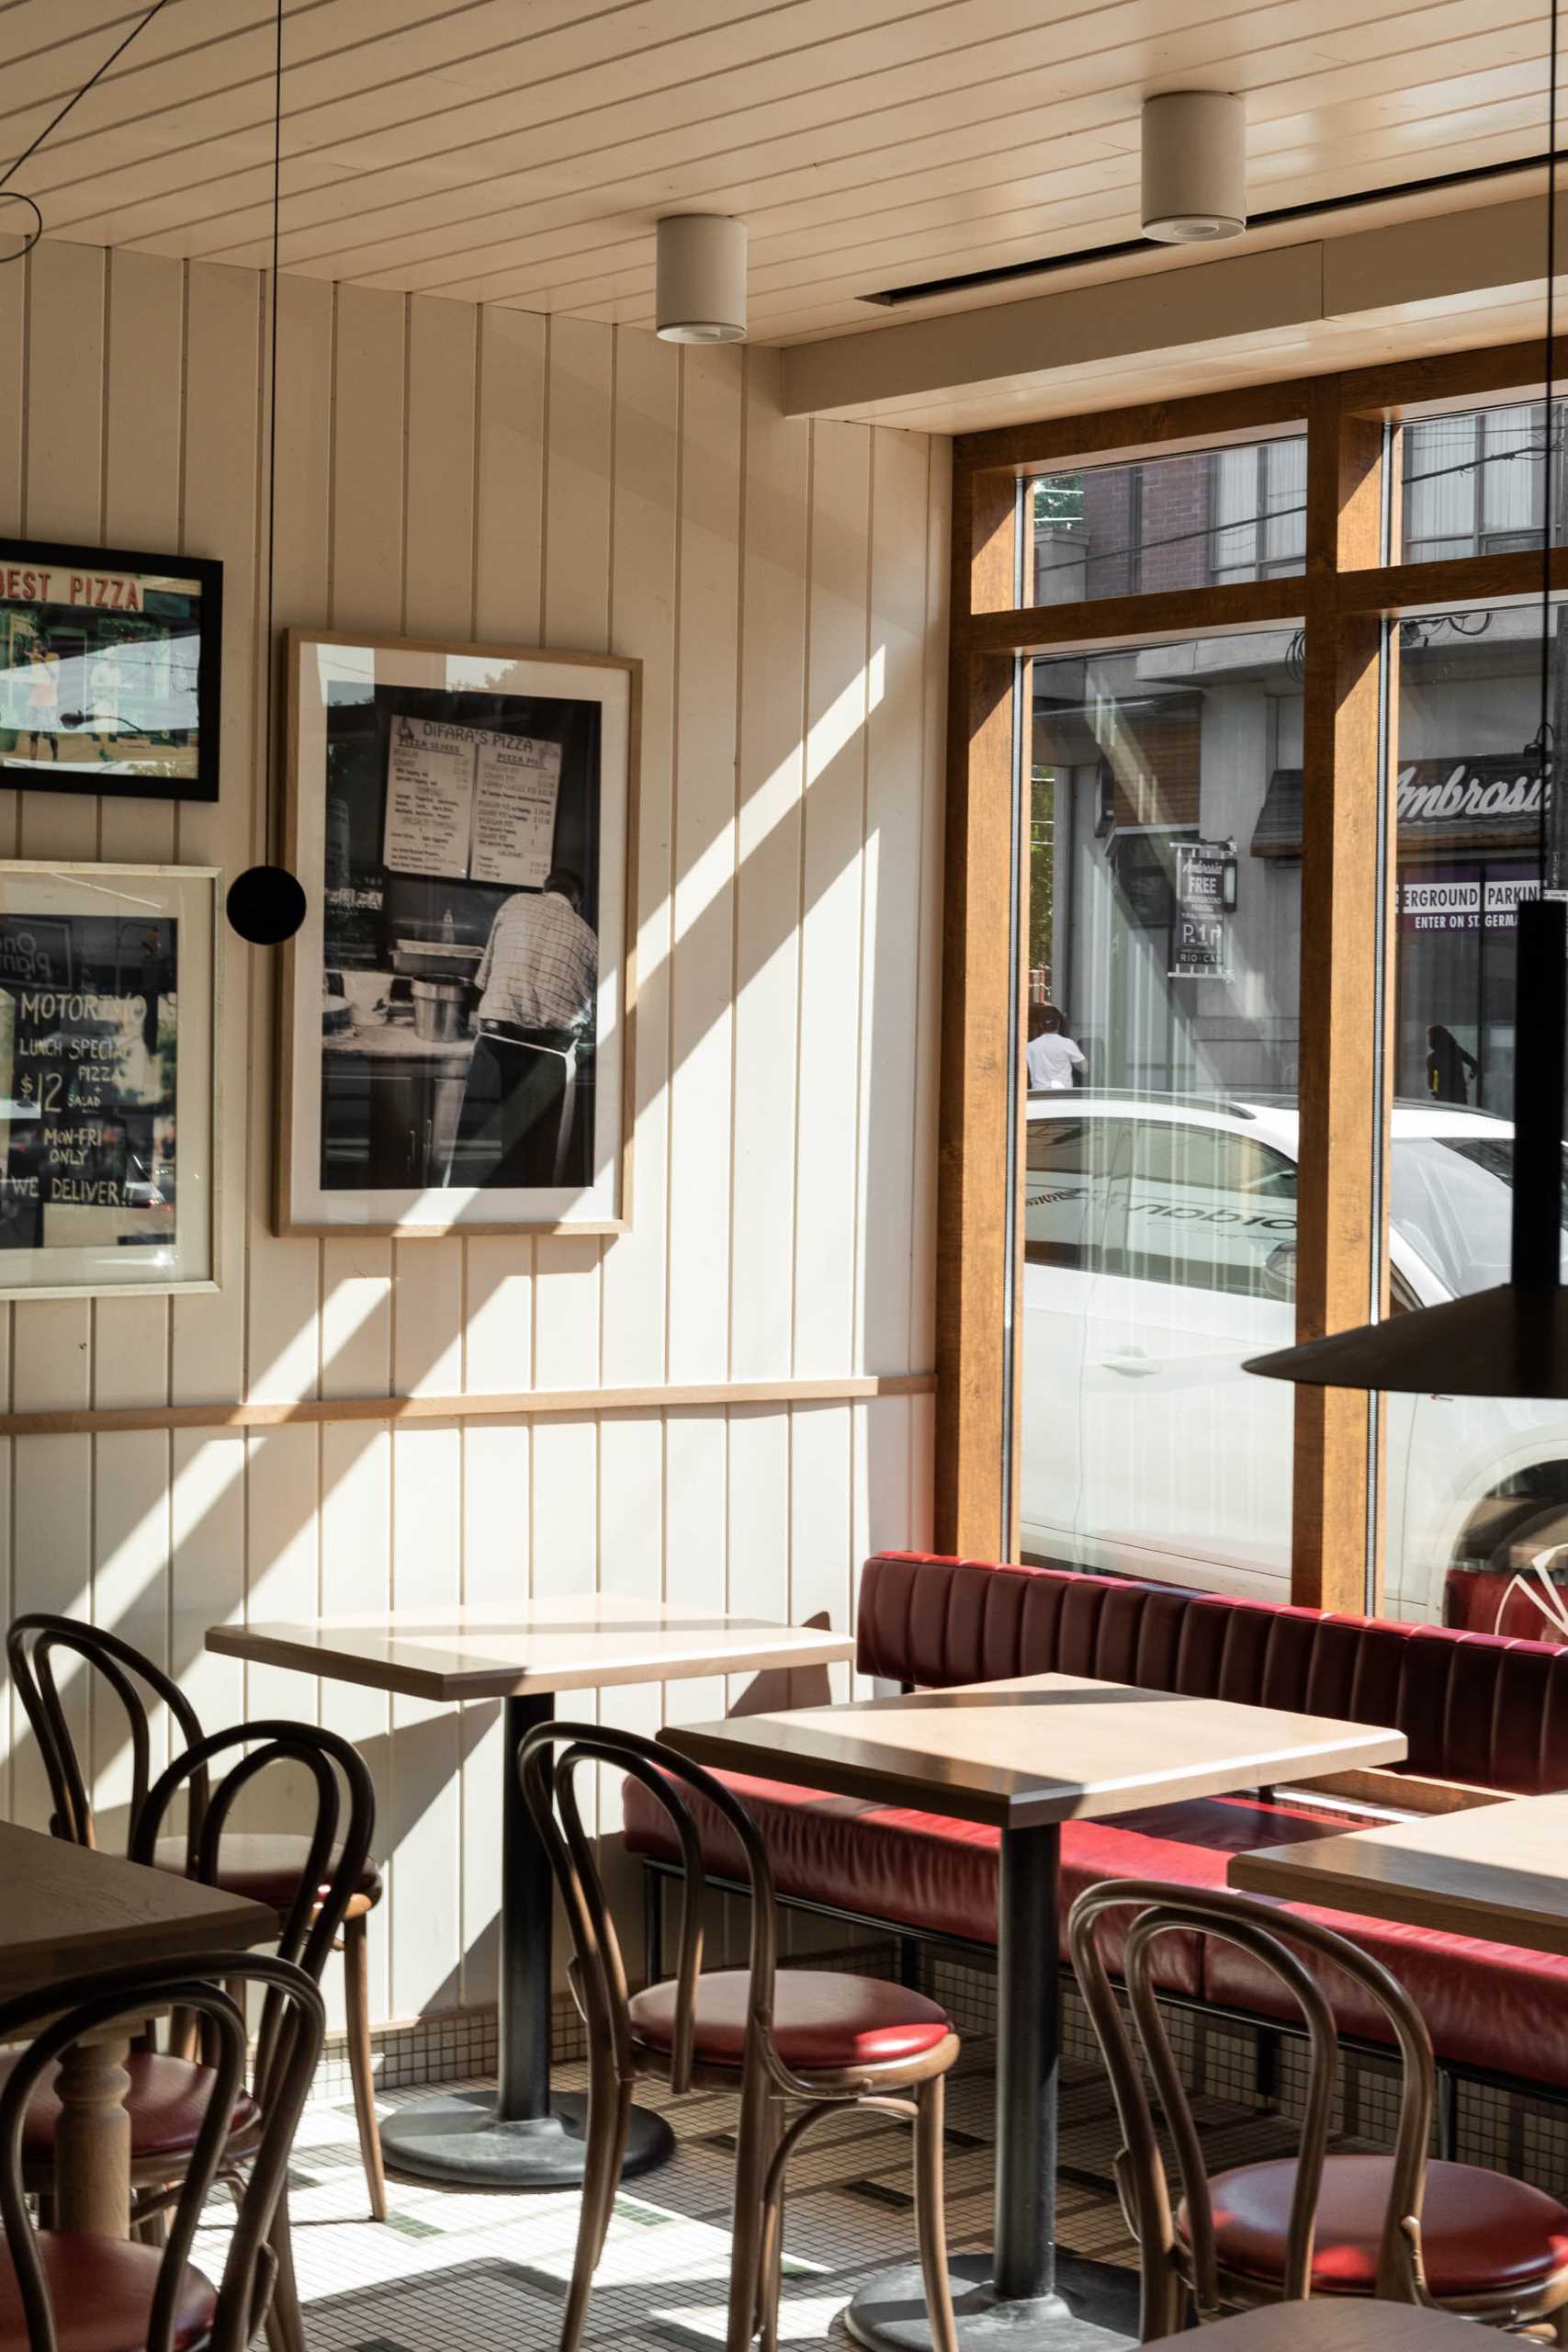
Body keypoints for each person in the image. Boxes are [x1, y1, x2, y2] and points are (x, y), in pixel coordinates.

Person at [448, 868, 598, 1189]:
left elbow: (482, 979)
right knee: (536, 1168)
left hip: (495, 1042)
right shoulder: (588, 937)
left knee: (478, 1160)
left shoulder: (514, 905)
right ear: (578, 902)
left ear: (544, 889)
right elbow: (592, 1007)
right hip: (551, 1054)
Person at [1026, 1001, 1086, 1091]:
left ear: (1040, 1025)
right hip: (1062, 1095)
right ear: (1058, 1024)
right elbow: (1084, 1068)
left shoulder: (1029, 1047)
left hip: (1038, 1096)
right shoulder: (1067, 1044)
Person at [1427, 1023, 1478, 1105]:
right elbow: (1475, 1065)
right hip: (1460, 1098)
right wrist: (1467, 1083)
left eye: (1430, 1037)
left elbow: (1432, 1083)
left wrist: (1435, 1090)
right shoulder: (1457, 1051)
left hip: (1443, 1100)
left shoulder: (1432, 1058)